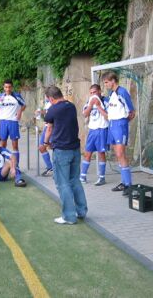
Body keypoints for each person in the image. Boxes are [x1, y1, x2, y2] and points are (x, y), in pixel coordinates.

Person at [44, 86, 87, 225]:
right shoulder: (71, 106)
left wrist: (45, 142)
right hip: (75, 149)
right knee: (75, 180)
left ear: (51, 98)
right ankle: (81, 211)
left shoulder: (53, 109)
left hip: (62, 150)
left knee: (63, 184)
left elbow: (49, 127)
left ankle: (69, 216)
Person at [102, 72, 136, 196]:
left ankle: (128, 184)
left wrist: (123, 123)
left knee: (121, 153)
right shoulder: (111, 94)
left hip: (120, 125)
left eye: (106, 82)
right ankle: (124, 182)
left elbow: (131, 112)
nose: (105, 85)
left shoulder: (122, 92)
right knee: (117, 154)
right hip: (112, 125)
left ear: (113, 81)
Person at [80, 84, 109, 186]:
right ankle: (82, 176)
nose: (93, 95)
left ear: (100, 91)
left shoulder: (106, 101)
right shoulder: (89, 101)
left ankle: (102, 177)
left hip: (102, 129)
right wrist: (91, 105)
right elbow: (84, 114)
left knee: (101, 153)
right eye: (91, 93)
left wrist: (98, 106)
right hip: (92, 130)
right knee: (87, 153)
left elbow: (108, 116)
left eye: (95, 92)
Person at [0, 80, 26, 165]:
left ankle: (16, 165)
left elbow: (24, 105)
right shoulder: (0, 96)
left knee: (15, 145)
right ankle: (2, 164)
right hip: (3, 121)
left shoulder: (16, 96)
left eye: (9, 87)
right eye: (6, 87)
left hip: (13, 122)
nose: (8, 89)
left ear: (12, 87)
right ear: (3, 87)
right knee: (3, 144)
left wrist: (20, 112)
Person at [36, 97, 53, 176]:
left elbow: (51, 114)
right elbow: (46, 115)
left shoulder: (53, 103)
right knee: (41, 147)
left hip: (52, 127)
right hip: (46, 126)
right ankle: (50, 167)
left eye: (46, 95)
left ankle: (57, 167)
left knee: (54, 147)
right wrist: (39, 113)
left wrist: (42, 112)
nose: (45, 97)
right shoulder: (46, 103)